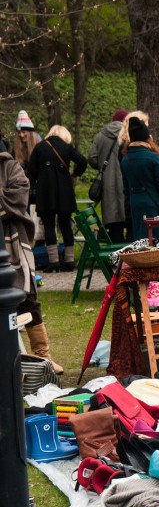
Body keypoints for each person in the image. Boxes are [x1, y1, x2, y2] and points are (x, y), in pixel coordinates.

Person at [0, 148, 63, 374]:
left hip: (13, 243)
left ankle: (42, 357)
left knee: (27, 297)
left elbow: (18, 196)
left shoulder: (10, 167)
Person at [27, 125, 86, 272]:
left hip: (46, 191)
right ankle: (69, 261)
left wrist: (39, 177)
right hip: (65, 191)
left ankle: (53, 262)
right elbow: (83, 161)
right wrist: (75, 173)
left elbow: (31, 170)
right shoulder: (67, 147)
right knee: (65, 224)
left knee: (48, 225)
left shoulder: (40, 147)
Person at [120, 117, 159, 241]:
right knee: (156, 238)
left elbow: (126, 189)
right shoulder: (153, 157)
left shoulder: (125, 160)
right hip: (152, 203)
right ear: (146, 137)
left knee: (141, 239)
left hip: (135, 204)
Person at [89, 110, 129, 243]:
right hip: (125, 181)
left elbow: (92, 158)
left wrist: (102, 166)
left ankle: (115, 257)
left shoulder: (100, 136)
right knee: (129, 221)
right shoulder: (127, 136)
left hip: (107, 184)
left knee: (114, 225)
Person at [14, 110, 41, 204]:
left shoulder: (39, 144)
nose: (21, 135)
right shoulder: (18, 147)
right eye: (19, 132)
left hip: (38, 187)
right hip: (24, 188)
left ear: (30, 132)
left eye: (24, 131)